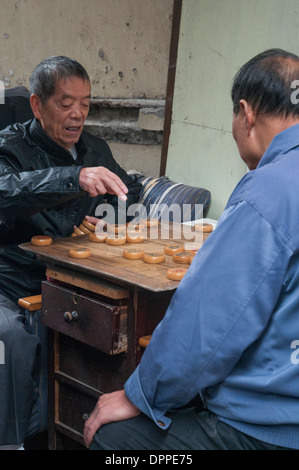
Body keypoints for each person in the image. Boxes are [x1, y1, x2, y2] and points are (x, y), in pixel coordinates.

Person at [84, 48, 299, 451]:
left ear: (246, 112)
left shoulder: (268, 192)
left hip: (267, 427)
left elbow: (209, 323)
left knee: (113, 440)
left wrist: (139, 394)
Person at [0, 55, 141, 449]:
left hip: (77, 276)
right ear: (36, 104)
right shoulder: (10, 147)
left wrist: (109, 217)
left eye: (85, 103)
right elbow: (6, 192)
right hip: (13, 279)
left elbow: (130, 192)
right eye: (65, 103)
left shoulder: (94, 148)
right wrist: (73, 178)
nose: (77, 114)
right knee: (9, 334)